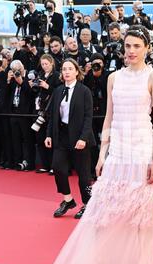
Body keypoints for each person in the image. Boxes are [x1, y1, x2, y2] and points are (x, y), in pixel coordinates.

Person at [49, 25, 153, 264]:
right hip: (117, 150)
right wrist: (102, 154)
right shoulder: (113, 78)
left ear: (147, 49)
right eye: (127, 46)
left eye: (136, 46)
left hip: (141, 150)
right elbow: (108, 117)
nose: (130, 51)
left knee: (140, 218)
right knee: (102, 214)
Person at [44, 58, 95, 219]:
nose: (66, 72)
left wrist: (83, 138)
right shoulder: (58, 90)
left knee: (84, 175)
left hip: (80, 137)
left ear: (76, 72)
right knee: (58, 167)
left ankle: (88, 204)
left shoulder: (84, 91)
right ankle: (68, 200)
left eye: (70, 69)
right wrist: (49, 135)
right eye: (64, 69)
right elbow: (52, 116)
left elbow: (89, 117)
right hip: (62, 135)